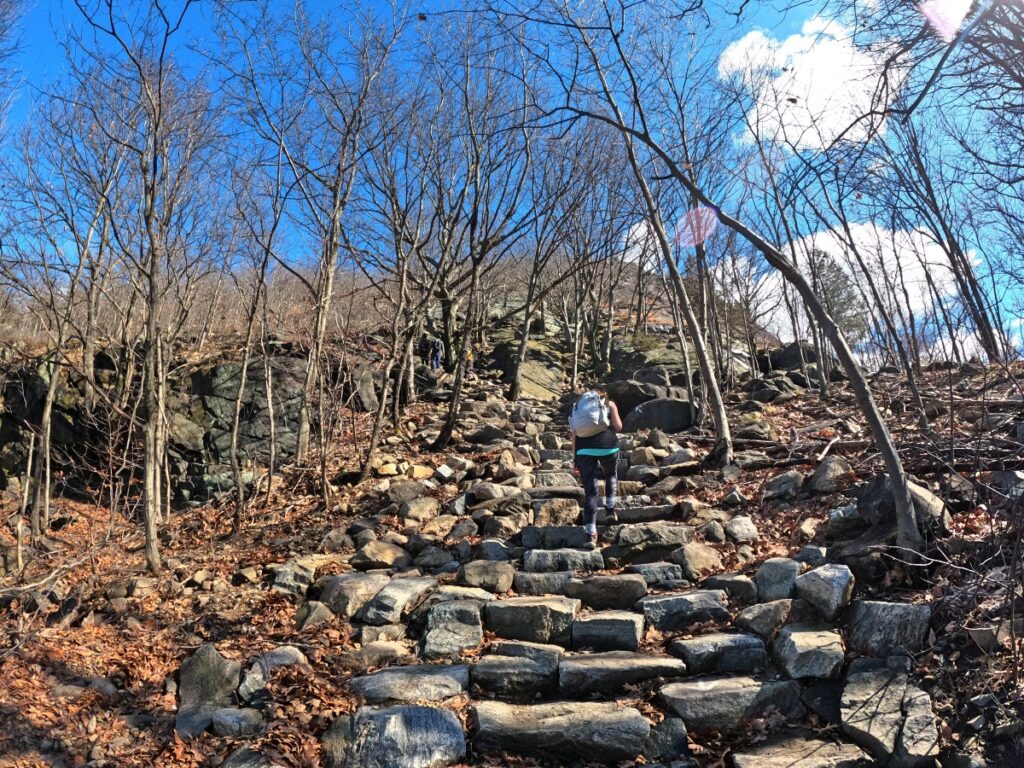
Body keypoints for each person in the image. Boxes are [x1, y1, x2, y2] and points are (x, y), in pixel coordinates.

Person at [570, 387, 622, 550]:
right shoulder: (609, 403)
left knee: (591, 492)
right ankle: (610, 510)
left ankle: (591, 534)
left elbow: (574, 435)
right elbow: (618, 426)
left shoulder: (577, 407)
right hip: (608, 446)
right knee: (610, 474)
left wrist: (575, 459)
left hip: (583, 450)